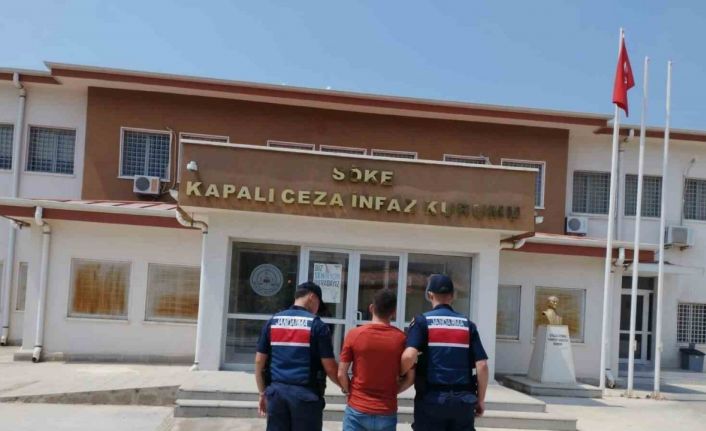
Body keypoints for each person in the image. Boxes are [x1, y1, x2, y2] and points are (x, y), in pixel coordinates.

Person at [401, 274, 489, 431]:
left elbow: (409, 356)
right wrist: (480, 399)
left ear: (430, 295)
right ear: (452, 296)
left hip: (431, 400)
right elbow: (482, 365)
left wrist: (400, 374)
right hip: (463, 401)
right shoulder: (467, 325)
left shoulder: (422, 322)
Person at [254, 281, 340, 431]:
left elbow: (259, 361)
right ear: (312, 297)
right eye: (318, 305)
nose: (317, 310)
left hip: (276, 395)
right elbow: (330, 368)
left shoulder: (273, 322)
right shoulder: (317, 325)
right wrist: (346, 387)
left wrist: (262, 393)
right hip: (306, 397)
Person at [338, 288, 414, 431]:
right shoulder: (402, 339)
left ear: (371, 308)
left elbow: (341, 373)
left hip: (357, 408)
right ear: (394, 312)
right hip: (386, 410)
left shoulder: (354, 334)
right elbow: (410, 378)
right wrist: (394, 391)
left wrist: (350, 391)